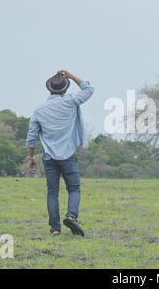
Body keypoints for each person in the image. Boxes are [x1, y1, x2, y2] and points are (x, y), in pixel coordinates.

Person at [26, 70, 94, 236]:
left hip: (49, 157)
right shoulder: (71, 101)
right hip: (68, 155)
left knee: (52, 193)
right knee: (74, 189)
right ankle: (71, 216)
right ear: (65, 89)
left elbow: (32, 136)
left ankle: (55, 228)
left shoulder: (39, 110)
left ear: (49, 89)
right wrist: (70, 75)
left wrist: (31, 157)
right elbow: (89, 89)